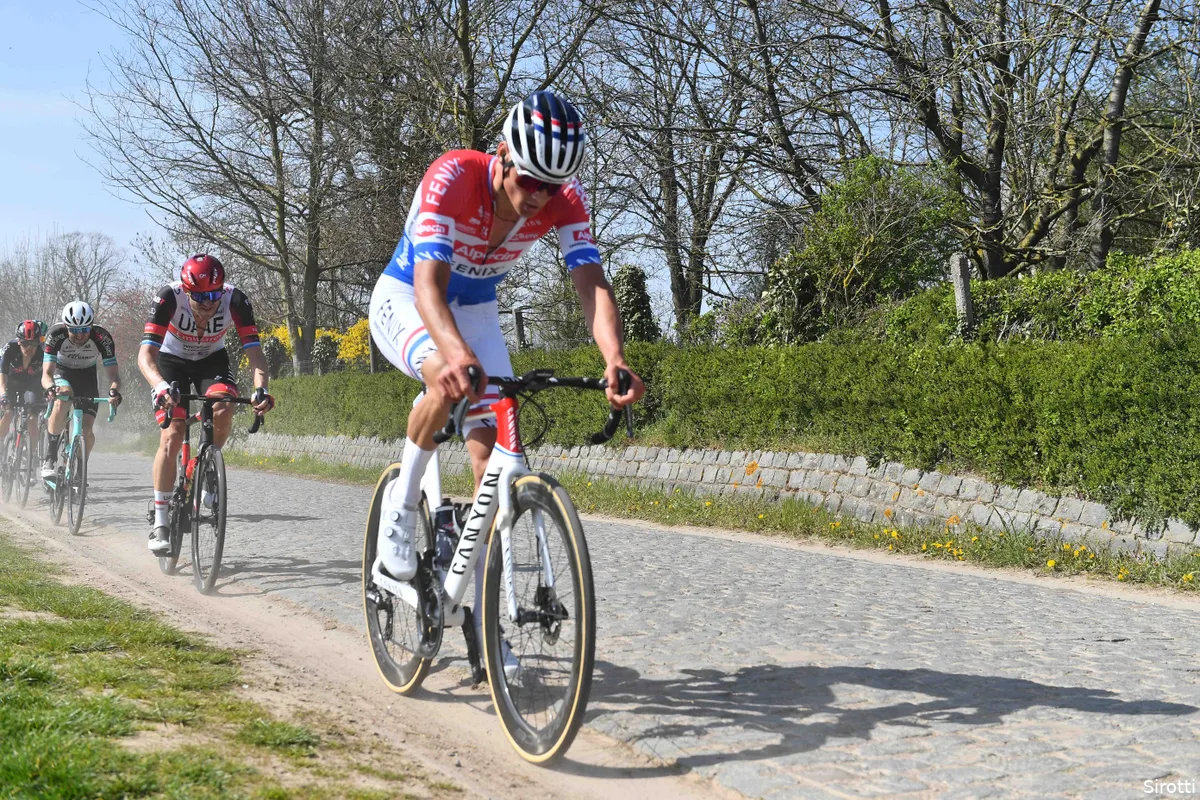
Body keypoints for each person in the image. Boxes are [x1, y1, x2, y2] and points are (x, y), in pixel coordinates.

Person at [367, 90, 646, 667]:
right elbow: (428, 287)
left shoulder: (564, 198)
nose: (539, 197)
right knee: (443, 380)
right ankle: (399, 511)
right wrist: (452, 356)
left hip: (477, 310)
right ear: (501, 155)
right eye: (530, 182)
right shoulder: (452, 177)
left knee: (490, 464)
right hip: (411, 297)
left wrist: (613, 357)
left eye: (552, 186)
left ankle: (486, 623)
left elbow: (590, 282)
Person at [138, 254, 274, 554]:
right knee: (172, 433)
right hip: (171, 361)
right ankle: (160, 520)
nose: (209, 303)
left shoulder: (235, 300)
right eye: (200, 297)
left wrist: (261, 389)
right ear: (186, 291)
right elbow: (145, 356)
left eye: (214, 295)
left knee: (224, 406)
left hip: (211, 360)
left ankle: (207, 468)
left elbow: (255, 355)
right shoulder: (167, 298)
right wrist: (160, 387)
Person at [41, 304, 122, 477]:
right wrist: (49, 388)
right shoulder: (55, 335)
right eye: (75, 330)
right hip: (62, 372)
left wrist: (114, 392)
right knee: (64, 395)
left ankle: (80, 467)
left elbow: (114, 375)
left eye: (85, 329)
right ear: (66, 327)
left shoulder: (102, 337)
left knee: (86, 429)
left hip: (87, 376)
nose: (80, 335)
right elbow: (46, 373)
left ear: (91, 326)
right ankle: (51, 456)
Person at [0, 320, 47, 445]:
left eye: (33, 343)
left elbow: (49, 374)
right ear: (19, 341)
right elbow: (2, 376)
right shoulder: (10, 348)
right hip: (10, 382)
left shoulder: (44, 352)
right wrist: (3, 394)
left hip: (32, 385)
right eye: (26, 344)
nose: (29, 348)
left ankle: (32, 452)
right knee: (8, 413)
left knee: (32, 419)